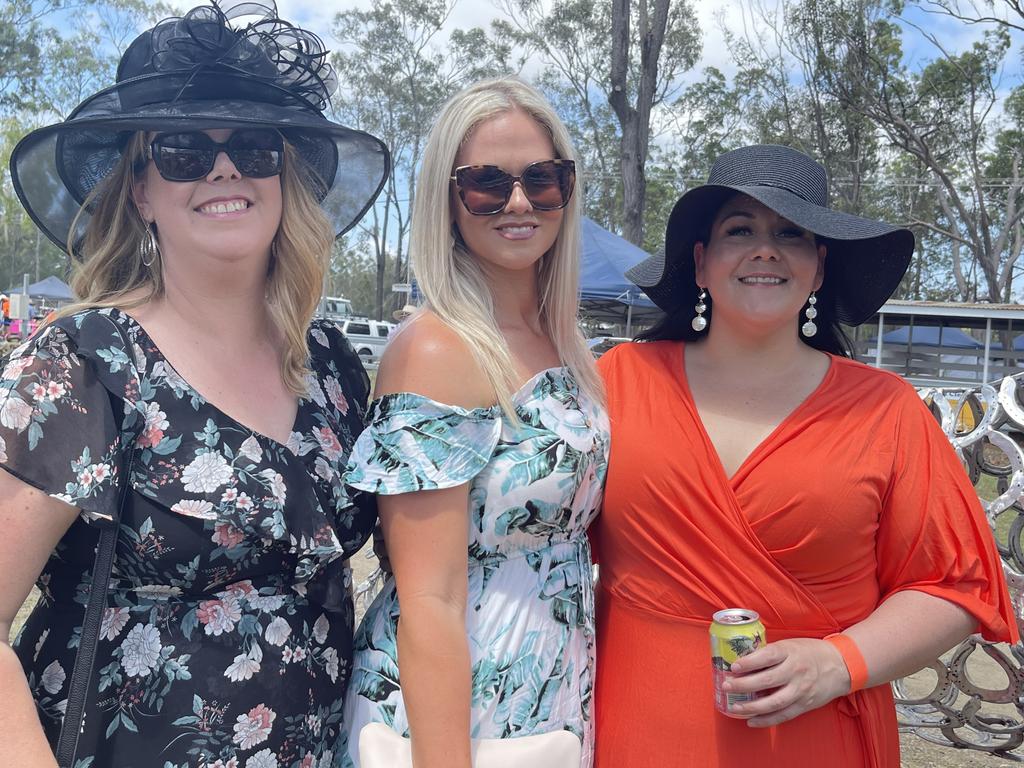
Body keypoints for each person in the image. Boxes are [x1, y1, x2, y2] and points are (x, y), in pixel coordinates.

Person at [0, 2, 389, 765]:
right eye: (182, 150)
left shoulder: (334, 368)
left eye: (252, 147)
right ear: (140, 190)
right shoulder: (86, 363)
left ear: (285, 177)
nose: (223, 169)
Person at [591, 144, 1019, 767]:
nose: (765, 249)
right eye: (741, 229)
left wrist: (838, 662)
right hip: (635, 725)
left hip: (815, 734)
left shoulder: (886, 409)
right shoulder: (616, 381)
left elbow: (956, 585)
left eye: (791, 234)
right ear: (701, 263)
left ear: (818, 269)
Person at [338, 77, 609, 768]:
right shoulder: (437, 347)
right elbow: (430, 594)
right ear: (447, 199)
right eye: (486, 183)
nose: (518, 202)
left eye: (543, 180)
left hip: (550, 685)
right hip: (456, 709)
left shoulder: (561, 342)